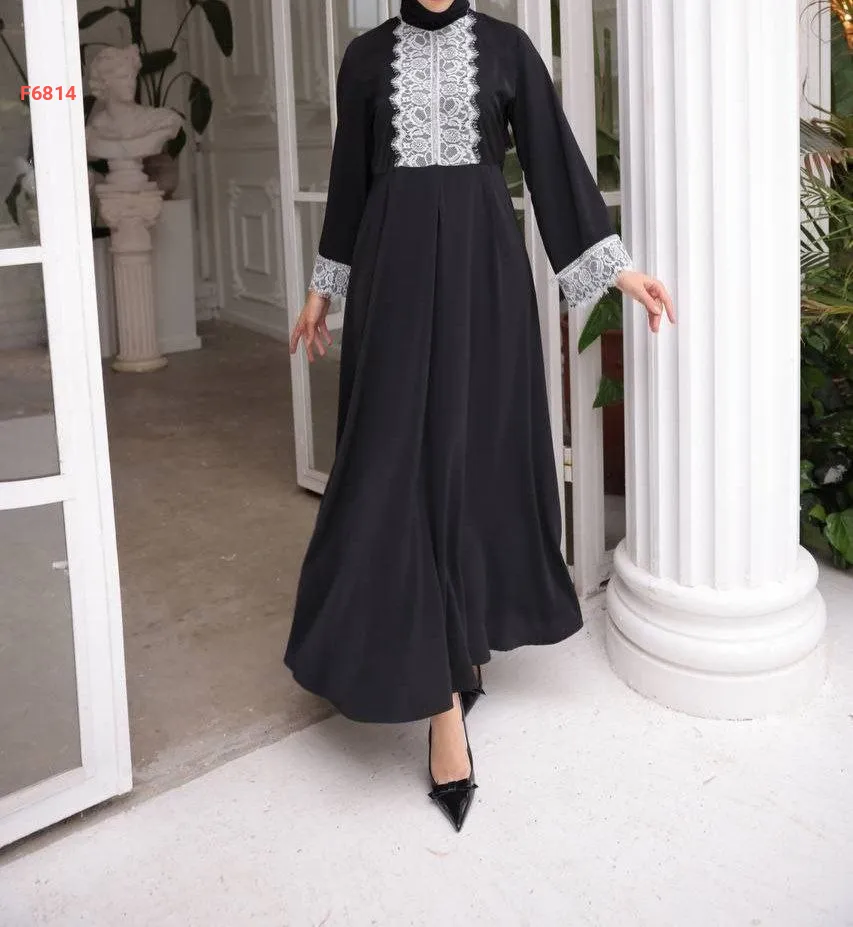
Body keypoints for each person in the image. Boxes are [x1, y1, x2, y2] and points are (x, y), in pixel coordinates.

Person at [285, 0, 675, 833]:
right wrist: (324, 289)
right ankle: (440, 700)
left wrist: (617, 271)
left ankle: (453, 657)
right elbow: (350, 183)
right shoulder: (365, 58)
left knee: (468, 463)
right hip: (391, 286)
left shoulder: (506, 48)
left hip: (483, 283)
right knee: (393, 470)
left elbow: (553, 164)